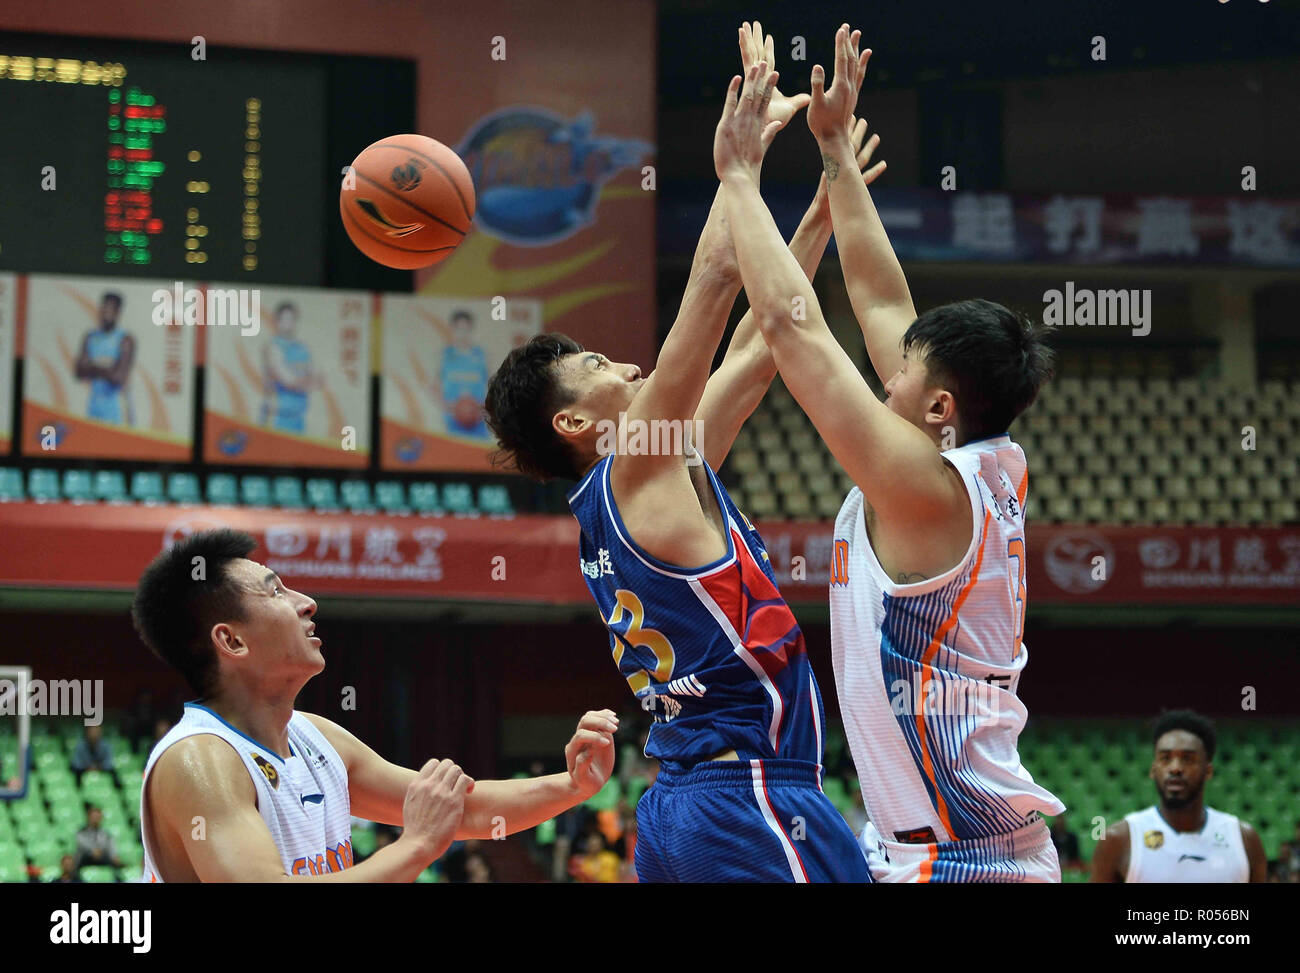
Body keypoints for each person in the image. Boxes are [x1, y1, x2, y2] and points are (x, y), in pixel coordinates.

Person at [483, 22, 883, 883]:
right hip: (746, 793)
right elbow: (710, 290)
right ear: (572, 425)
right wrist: (739, 161)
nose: (624, 363)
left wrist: (819, 212)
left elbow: (756, 347)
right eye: (596, 366)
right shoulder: (637, 462)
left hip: (685, 802)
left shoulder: (650, 474)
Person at [714, 25, 1062, 882]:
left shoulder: (924, 487)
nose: (887, 369)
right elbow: (876, 293)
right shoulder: (967, 452)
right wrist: (833, 150)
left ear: (940, 404)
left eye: (902, 369)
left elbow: (795, 336)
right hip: (924, 849)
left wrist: (739, 178)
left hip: (968, 860)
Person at [130, 528, 617, 882]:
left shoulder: (316, 738)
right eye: (275, 590)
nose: (306, 602)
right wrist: (418, 846)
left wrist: (574, 785)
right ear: (231, 641)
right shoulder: (198, 761)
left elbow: (468, 812)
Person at [1091, 710, 1267, 883]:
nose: (1175, 768)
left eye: (1187, 759)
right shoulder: (1119, 839)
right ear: (1153, 769)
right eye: (1165, 758)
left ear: (1208, 770)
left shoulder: (1245, 839)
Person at [74, 291, 135, 426]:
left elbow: (118, 377)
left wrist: (92, 366)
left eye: (110, 309)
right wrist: (107, 366)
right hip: (94, 406)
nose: (105, 312)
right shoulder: (90, 337)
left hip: (117, 408)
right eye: (104, 308)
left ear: (118, 312)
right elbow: (79, 371)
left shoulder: (125, 340)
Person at [260, 302, 317, 434]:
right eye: (285, 319)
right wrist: (305, 382)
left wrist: (304, 382)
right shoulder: (272, 348)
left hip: (299, 417)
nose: (289, 323)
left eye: (292, 319)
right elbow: (287, 381)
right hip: (277, 418)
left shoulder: (303, 348)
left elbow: (318, 378)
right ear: (277, 322)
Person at [74, 803, 123, 874]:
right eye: (94, 817)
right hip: (85, 859)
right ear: (88, 817)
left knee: (113, 866)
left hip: (102, 858)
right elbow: (82, 844)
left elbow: (111, 848)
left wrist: (114, 857)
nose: (96, 819)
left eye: (98, 817)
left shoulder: (106, 834)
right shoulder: (81, 832)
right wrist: (93, 850)